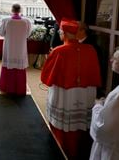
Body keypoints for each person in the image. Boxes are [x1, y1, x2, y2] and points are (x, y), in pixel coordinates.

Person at [41, 18, 101, 159]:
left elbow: (46, 76)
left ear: (65, 34)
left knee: (64, 126)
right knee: (81, 123)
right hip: (85, 92)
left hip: (65, 94)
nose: (60, 34)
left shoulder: (59, 51)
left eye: (61, 32)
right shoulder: (91, 49)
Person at [0, 3, 32, 95]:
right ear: (20, 10)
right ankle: (20, 88)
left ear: (12, 10)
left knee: (9, 64)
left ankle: (7, 87)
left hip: (9, 46)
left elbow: (1, 33)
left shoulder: (6, 20)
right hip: (20, 47)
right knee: (19, 66)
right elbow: (28, 34)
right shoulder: (26, 21)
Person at [77, 21, 106, 97]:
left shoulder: (92, 46)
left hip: (88, 84)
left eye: (75, 29)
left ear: (83, 31)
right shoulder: (77, 43)